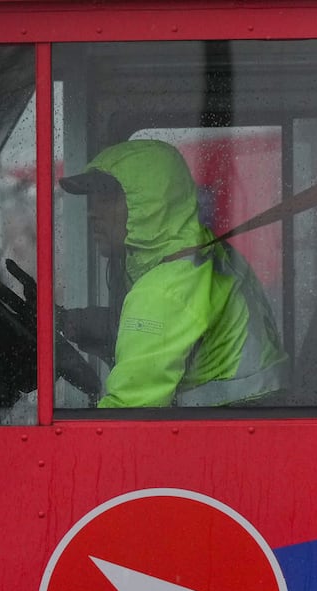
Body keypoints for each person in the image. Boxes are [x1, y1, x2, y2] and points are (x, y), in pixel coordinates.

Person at [57, 139, 287, 408]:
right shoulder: (206, 252)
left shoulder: (162, 291)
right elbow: (160, 335)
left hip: (223, 440)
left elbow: (123, 419)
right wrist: (69, 322)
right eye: (92, 200)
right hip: (261, 421)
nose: (92, 213)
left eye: (107, 198)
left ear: (150, 204)